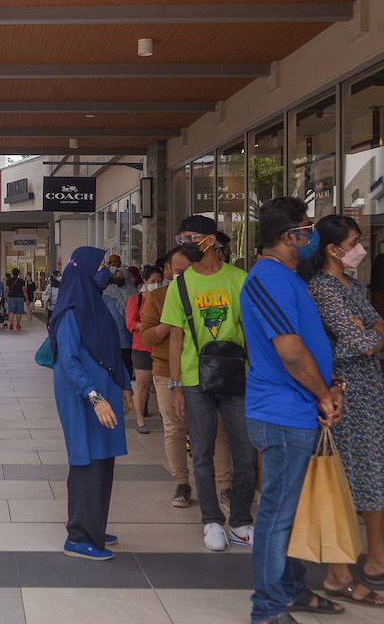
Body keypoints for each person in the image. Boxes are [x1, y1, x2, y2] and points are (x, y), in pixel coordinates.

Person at [300, 215, 384, 603]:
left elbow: (380, 330)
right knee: (346, 480)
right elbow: (363, 340)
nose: (360, 249)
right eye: (353, 242)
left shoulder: (350, 284)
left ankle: (377, 560)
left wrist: (373, 334)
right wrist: (371, 335)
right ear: (332, 249)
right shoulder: (322, 288)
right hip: (343, 395)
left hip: (368, 394)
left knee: (379, 474)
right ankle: (340, 572)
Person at [241, 197, 346, 622]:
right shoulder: (267, 278)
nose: (312, 234)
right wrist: (323, 393)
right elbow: (290, 352)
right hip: (281, 415)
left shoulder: (288, 277)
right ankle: (267, 608)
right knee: (276, 516)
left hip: (298, 410)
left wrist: (329, 388)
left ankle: (292, 589)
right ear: (289, 237)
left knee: (291, 511)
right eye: (307, 226)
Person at [162, 214, 256, 552]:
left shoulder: (240, 279)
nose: (186, 242)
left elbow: (249, 332)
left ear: (211, 240)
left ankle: (242, 522)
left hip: (237, 377)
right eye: (181, 235)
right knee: (200, 453)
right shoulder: (180, 284)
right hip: (193, 380)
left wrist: (257, 373)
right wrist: (174, 386)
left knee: (244, 453)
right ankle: (212, 521)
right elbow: (175, 339)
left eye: (191, 236)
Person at [50, 247, 133, 561]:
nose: (106, 270)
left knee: (103, 457)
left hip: (104, 393)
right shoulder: (72, 309)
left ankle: (94, 524)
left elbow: (112, 349)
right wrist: (95, 397)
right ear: (83, 269)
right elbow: (69, 362)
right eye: (100, 265)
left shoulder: (94, 304)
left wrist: (124, 385)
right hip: (83, 395)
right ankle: (80, 536)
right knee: (87, 458)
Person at [140, 248, 233, 508]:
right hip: (166, 370)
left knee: (217, 429)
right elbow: (146, 336)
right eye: (178, 272)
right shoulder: (158, 297)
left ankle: (226, 487)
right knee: (174, 429)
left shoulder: (208, 292)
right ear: (167, 270)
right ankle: (181, 483)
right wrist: (169, 322)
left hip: (209, 370)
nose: (184, 276)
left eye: (189, 269)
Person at [126, 265, 163, 434]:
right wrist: (151, 327)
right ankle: (140, 419)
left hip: (162, 347)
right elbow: (131, 323)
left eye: (159, 281)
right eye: (152, 281)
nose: (156, 284)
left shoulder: (166, 299)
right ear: (145, 282)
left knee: (163, 384)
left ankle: (167, 415)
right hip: (141, 347)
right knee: (142, 384)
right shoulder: (137, 300)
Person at [102, 280, 135, 378]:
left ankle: (127, 383)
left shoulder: (133, 294)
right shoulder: (108, 295)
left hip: (129, 334)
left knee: (127, 359)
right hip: (113, 334)